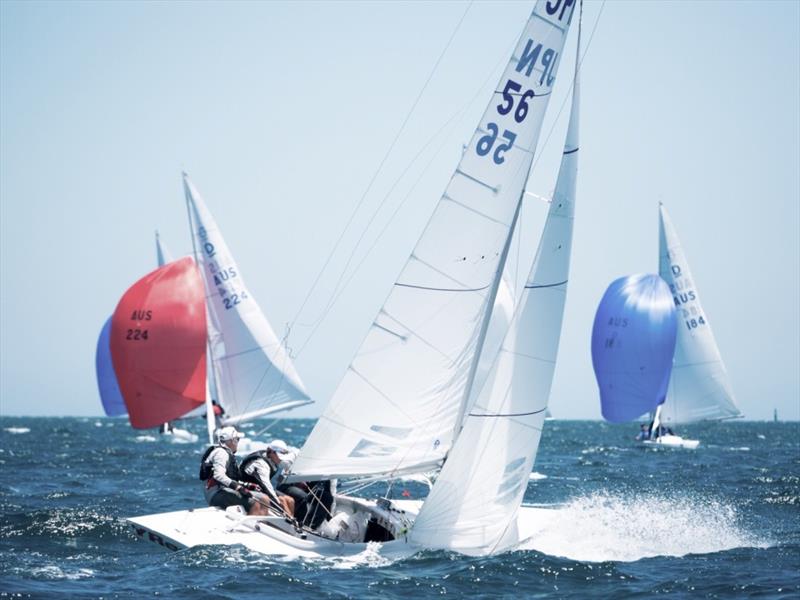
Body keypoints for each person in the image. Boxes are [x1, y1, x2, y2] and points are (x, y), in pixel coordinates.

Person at [199, 426, 269, 515]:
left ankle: (261, 524)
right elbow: (218, 475)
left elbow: (231, 477)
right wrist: (238, 487)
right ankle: (252, 526)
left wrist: (247, 485)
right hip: (216, 494)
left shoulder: (227, 453)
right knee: (255, 503)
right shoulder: (221, 453)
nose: (238, 442)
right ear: (233, 441)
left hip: (224, 490)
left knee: (264, 498)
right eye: (237, 439)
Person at [239, 449, 295, 517]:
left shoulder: (276, 463)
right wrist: (278, 503)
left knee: (290, 500)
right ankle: (290, 520)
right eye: (279, 457)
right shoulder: (261, 465)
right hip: (252, 487)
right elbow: (266, 486)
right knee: (282, 501)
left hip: (266, 488)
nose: (280, 460)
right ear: (272, 453)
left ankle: (290, 521)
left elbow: (277, 483)